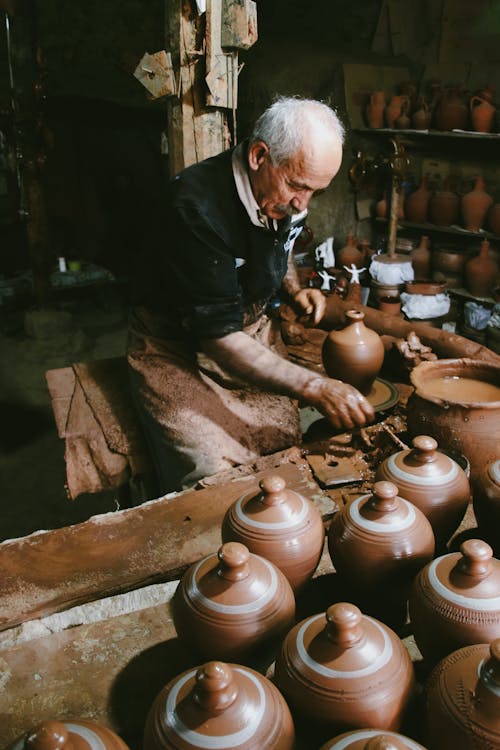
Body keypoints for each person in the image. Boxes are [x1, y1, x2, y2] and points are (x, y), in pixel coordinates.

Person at [127, 96, 374, 494]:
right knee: (212, 476)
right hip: (175, 348)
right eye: (297, 186)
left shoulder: (286, 190)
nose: (302, 202)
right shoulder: (194, 209)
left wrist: (293, 288)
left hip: (250, 332)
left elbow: (285, 237)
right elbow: (219, 338)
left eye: (316, 191)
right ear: (260, 155)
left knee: (279, 448)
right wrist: (316, 386)